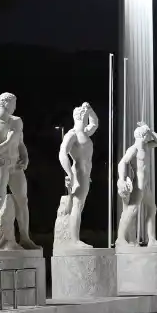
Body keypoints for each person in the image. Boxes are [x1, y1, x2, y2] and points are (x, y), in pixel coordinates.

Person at [0, 92, 39, 250]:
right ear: (4, 104)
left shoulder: (17, 121)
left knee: (22, 200)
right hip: (2, 165)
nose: (15, 106)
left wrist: (25, 158)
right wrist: (8, 141)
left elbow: (20, 144)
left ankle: (25, 237)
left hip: (16, 166)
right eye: (13, 103)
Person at [56, 102, 99, 248]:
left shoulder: (85, 132)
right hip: (78, 173)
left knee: (79, 205)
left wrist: (91, 109)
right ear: (78, 116)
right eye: (84, 114)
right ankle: (74, 240)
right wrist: (69, 174)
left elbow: (95, 123)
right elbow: (62, 154)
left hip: (86, 174)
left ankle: (74, 238)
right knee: (77, 204)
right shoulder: (72, 134)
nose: (86, 117)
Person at [117, 122, 157, 247]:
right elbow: (122, 163)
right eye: (147, 135)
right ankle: (120, 239)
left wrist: (149, 129)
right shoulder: (134, 149)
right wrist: (121, 179)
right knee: (131, 210)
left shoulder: (146, 147)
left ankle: (152, 240)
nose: (149, 138)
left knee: (152, 208)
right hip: (138, 185)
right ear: (143, 136)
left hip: (145, 186)